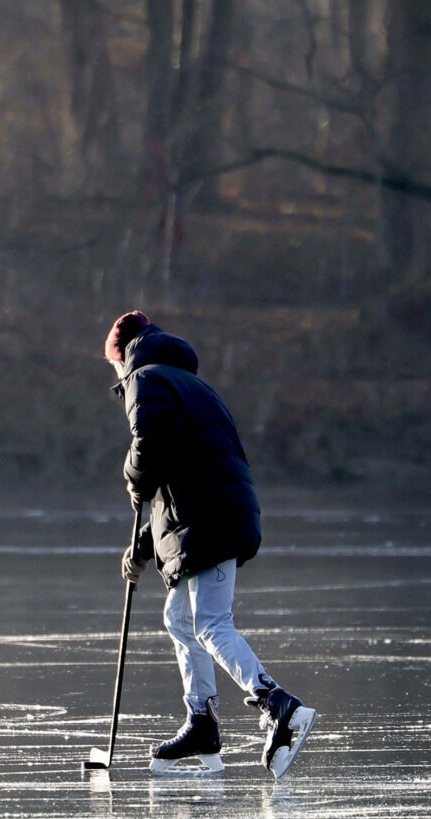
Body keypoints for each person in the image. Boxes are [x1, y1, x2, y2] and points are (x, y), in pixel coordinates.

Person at [104, 310, 317, 778]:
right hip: (209, 515)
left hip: (211, 520)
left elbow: (151, 449)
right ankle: (202, 722)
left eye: (113, 364)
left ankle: (279, 706)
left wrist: (132, 477)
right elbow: (180, 480)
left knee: (210, 623)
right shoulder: (189, 384)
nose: (116, 375)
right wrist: (141, 550)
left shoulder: (147, 379)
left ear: (122, 354)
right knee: (180, 617)